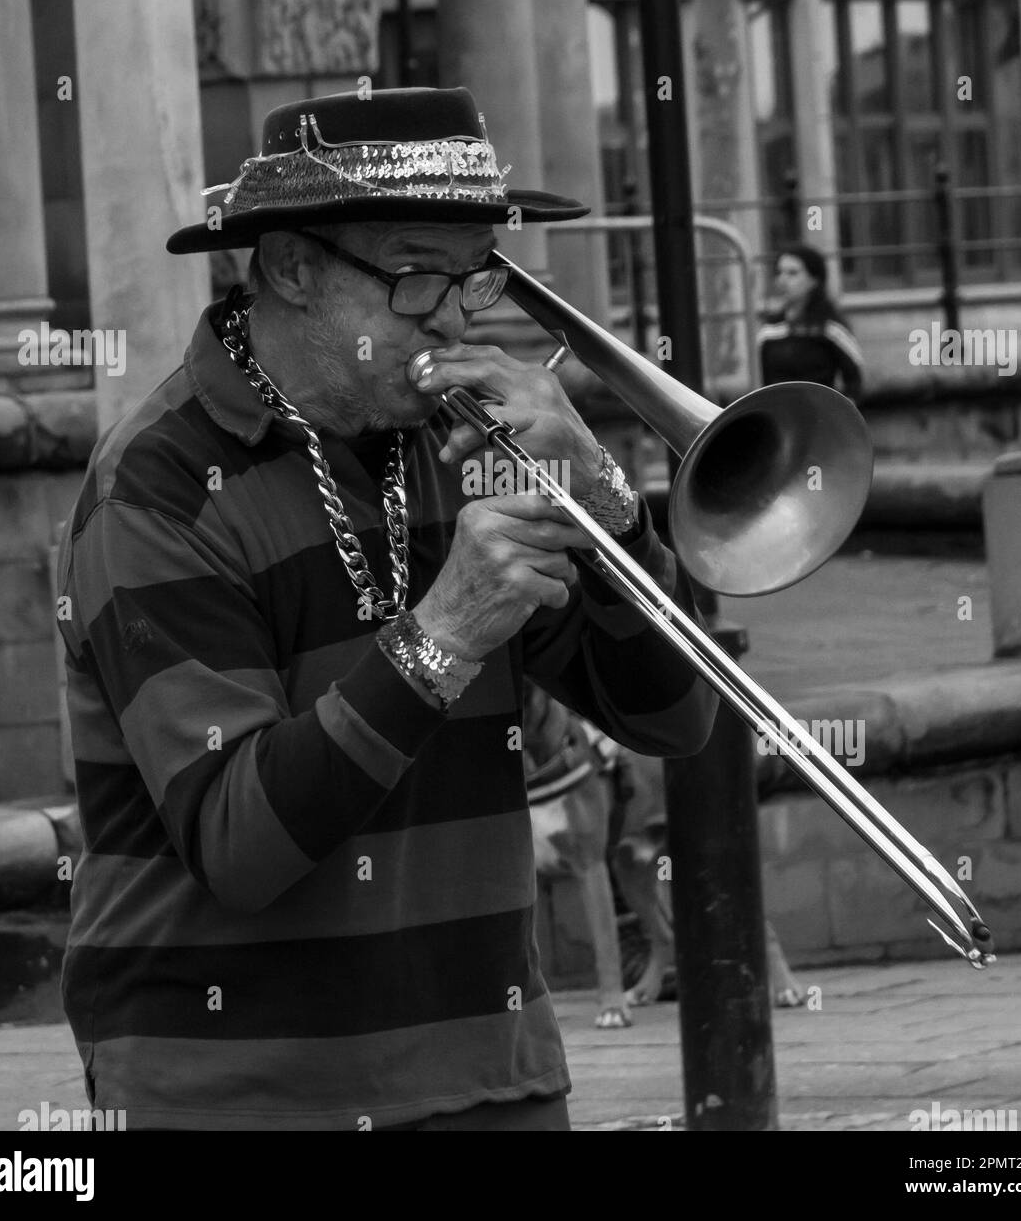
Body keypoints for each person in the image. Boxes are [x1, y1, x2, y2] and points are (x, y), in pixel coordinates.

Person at [55, 85, 717, 1132]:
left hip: (493, 1077)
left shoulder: (454, 444)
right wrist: (443, 634)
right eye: (417, 277)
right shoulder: (159, 487)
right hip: (234, 1095)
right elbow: (240, 842)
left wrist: (601, 496)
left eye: (476, 275)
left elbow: (674, 716)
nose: (458, 316)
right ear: (289, 267)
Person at [757, 244, 866, 402]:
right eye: (779, 272)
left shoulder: (831, 329)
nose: (782, 280)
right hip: (779, 418)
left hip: (821, 418)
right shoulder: (769, 330)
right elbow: (762, 385)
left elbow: (854, 381)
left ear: (814, 280)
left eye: (792, 273)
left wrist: (838, 417)